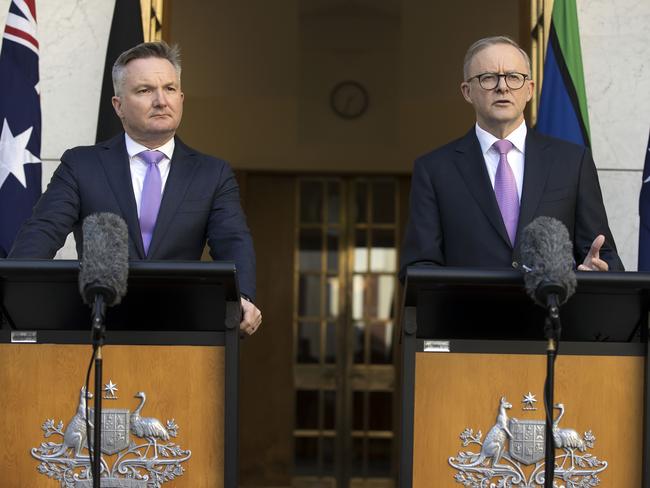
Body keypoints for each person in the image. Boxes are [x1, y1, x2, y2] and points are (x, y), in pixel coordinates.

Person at [8, 41, 262, 335]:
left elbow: (233, 240)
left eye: (169, 89)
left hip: (180, 334)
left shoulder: (212, 173)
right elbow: (43, 231)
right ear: (118, 106)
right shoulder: (81, 165)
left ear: (181, 98)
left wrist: (243, 297)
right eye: (144, 90)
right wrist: (14, 294)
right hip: (96, 330)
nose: (161, 100)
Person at [399, 36, 624, 279]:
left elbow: (603, 253)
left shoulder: (572, 161)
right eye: (488, 78)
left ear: (529, 90)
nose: (502, 87)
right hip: (468, 314)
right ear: (467, 92)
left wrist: (598, 271)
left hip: (551, 313)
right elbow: (420, 267)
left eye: (514, 77)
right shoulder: (434, 169)